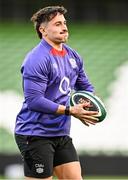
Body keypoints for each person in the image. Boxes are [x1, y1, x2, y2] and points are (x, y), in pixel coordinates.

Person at [14, 6, 98, 180]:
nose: (64, 27)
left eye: (65, 23)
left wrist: (86, 104)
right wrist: (70, 111)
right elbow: (34, 101)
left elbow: (86, 87)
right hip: (34, 134)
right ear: (42, 30)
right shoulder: (37, 59)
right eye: (58, 24)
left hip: (60, 133)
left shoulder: (73, 56)